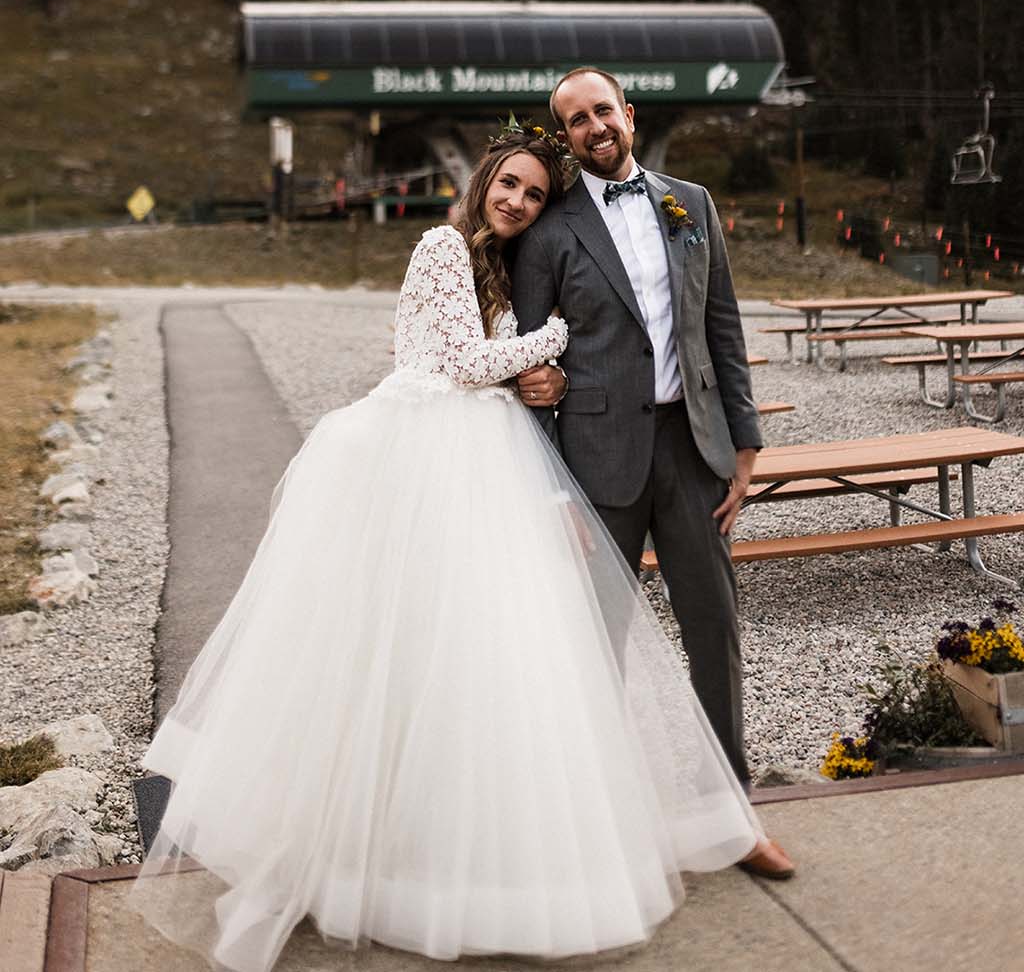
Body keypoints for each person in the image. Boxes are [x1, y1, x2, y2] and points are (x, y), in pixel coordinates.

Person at [130, 125, 763, 972]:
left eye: (534, 195)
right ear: (483, 181)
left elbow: (500, 361)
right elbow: (465, 362)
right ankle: (372, 851)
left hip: (483, 452)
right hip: (425, 454)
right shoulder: (440, 243)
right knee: (402, 655)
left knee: (478, 665)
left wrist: (546, 377)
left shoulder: (504, 260)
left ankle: (465, 852)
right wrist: (558, 345)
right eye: (509, 186)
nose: (518, 202)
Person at [511, 68, 794, 880]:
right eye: (575, 121)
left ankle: (736, 820)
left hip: (694, 451)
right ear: (564, 139)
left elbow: (722, 326)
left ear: (628, 115)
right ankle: (599, 833)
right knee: (597, 648)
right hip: (597, 466)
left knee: (715, 634)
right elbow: (534, 357)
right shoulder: (549, 231)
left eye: (603, 110)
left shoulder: (691, 203)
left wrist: (745, 445)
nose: (593, 126)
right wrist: (554, 484)